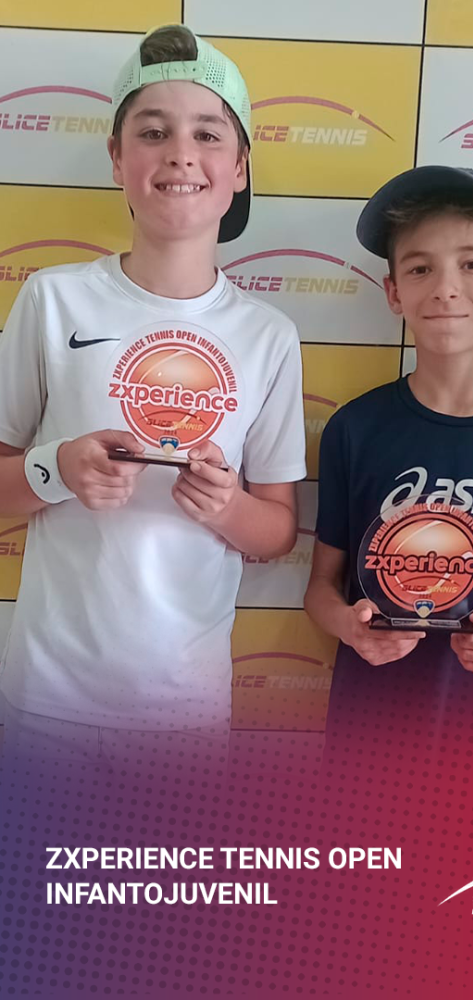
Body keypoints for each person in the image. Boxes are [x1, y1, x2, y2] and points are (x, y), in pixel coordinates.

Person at [0, 24, 306, 750]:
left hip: (185, 716)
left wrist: (227, 505)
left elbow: (277, 530)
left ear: (239, 168)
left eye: (207, 134)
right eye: (153, 131)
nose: (180, 154)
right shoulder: (51, 299)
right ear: (117, 157)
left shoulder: (269, 335)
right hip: (46, 702)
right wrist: (56, 468)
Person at [303, 166, 473, 988]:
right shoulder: (357, 428)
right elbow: (320, 590)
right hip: (375, 751)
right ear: (392, 292)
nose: (445, 286)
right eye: (420, 267)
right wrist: (348, 628)